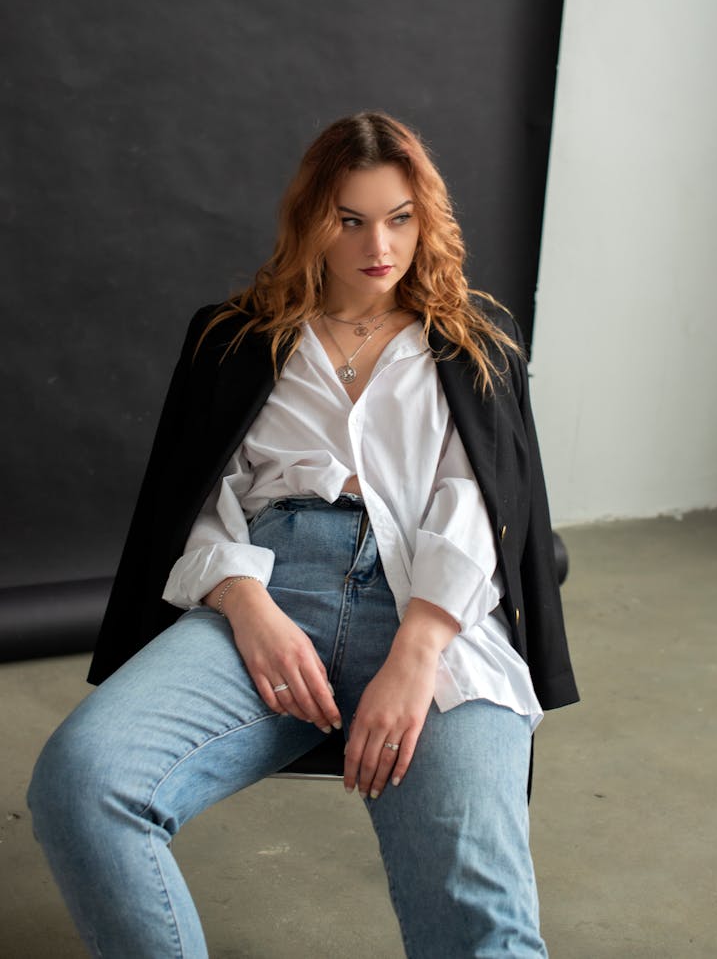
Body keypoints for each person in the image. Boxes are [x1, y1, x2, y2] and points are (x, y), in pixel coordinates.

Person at [28, 111, 578, 958]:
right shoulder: (236, 339)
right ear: (311, 220)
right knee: (81, 781)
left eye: (398, 217)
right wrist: (246, 606)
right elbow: (198, 498)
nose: (378, 244)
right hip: (270, 592)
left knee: (482, 916)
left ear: (424, 217)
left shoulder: (475, 344)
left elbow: (474, 505)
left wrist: (418, 651)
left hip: (432, 613)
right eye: (350, 219)